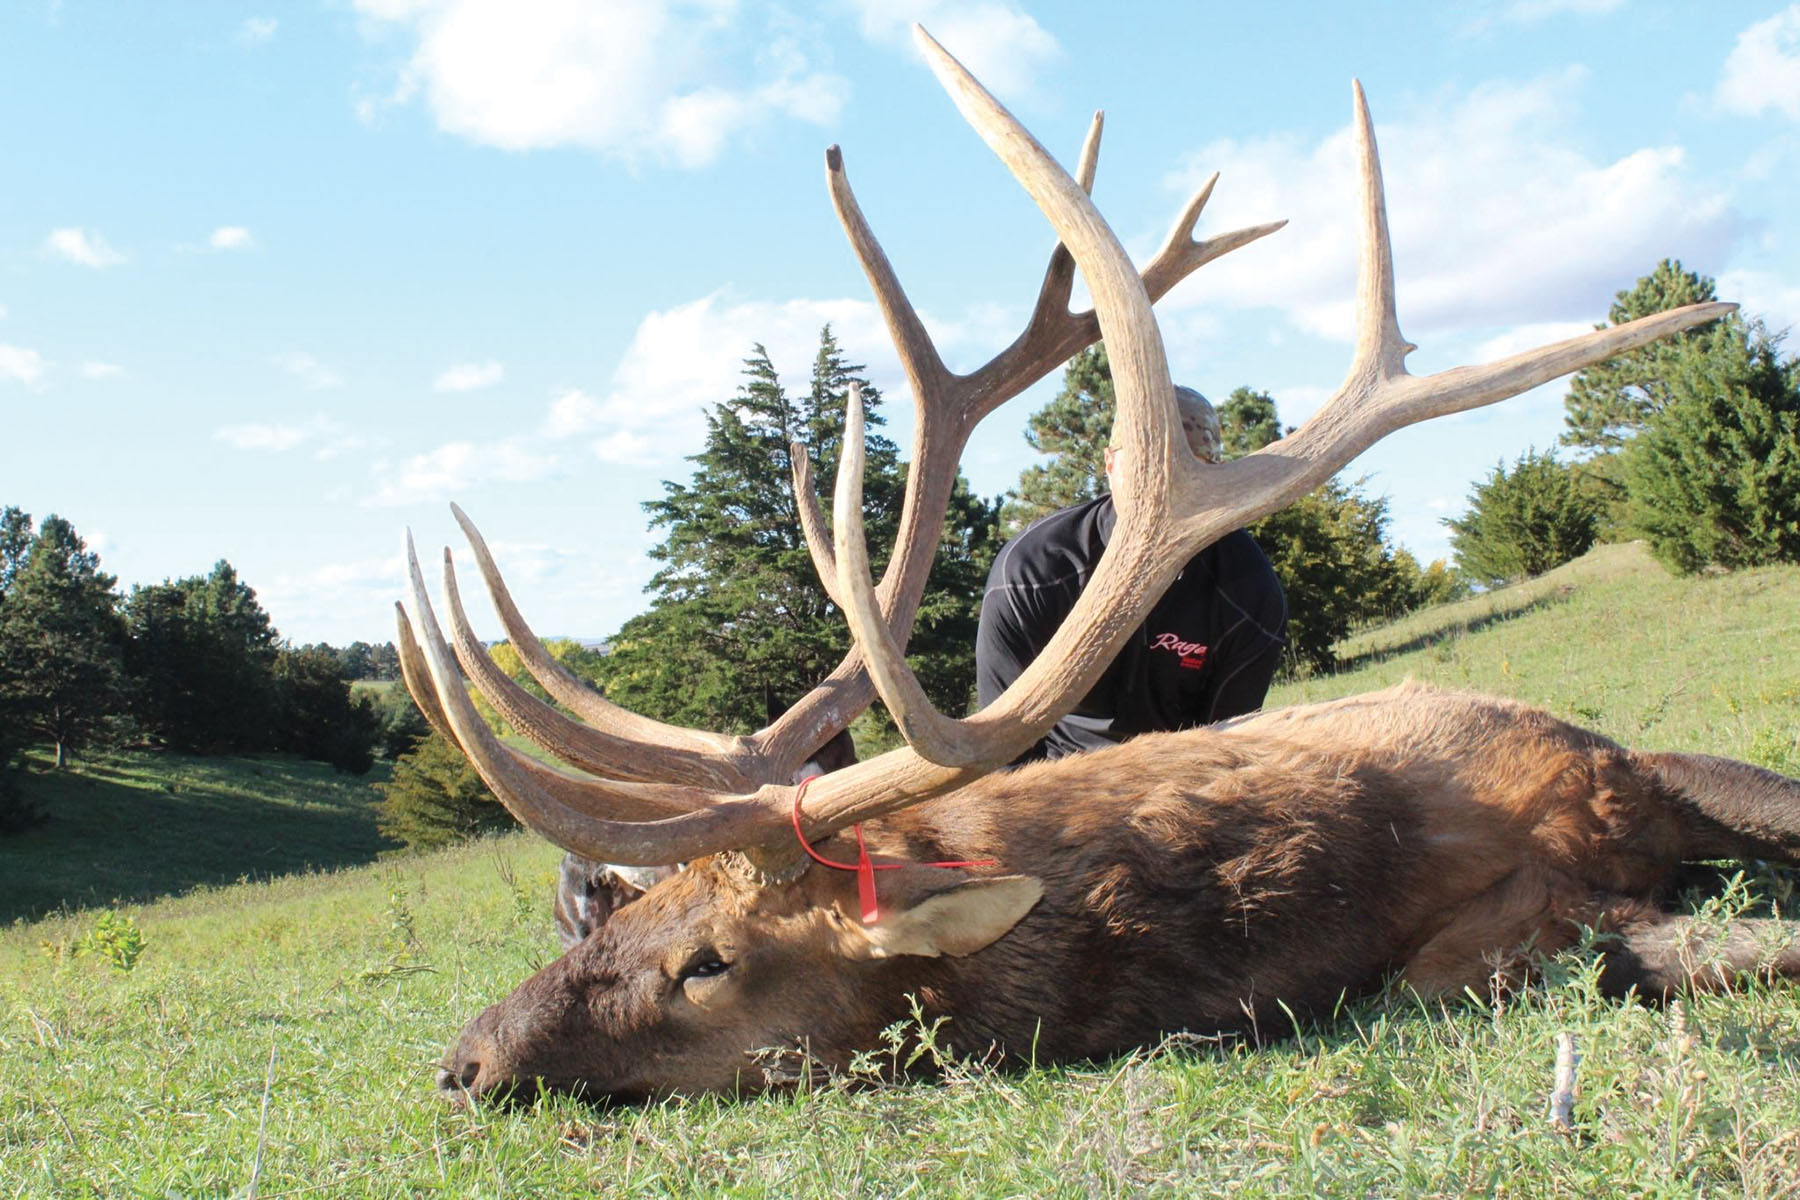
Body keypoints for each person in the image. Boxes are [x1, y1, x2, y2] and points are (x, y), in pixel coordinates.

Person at [976, 386, 1287, 763]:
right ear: (1109, 464)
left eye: (1189, 475)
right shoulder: (1033, 572)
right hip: (1056, 781)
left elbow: (1223, 750)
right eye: (1144, 471)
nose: (1161, 494)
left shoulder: (1248, 593)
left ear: (1217, 476)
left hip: (1176, 778)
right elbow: (1001, 751)